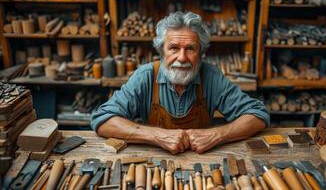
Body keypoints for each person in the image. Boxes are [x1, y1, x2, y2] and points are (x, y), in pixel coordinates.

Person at [91, 11, 269, 154]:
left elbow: (258, 115)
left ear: (200, 53)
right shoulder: (145, 76)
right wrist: (156, 135)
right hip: (152, 164)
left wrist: (217, 134)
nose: (182, 58)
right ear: (162, 51)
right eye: (174, 48)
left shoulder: (211, 76)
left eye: (190, 49)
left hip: (204, 163)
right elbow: (103, 120)